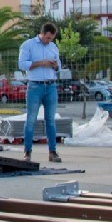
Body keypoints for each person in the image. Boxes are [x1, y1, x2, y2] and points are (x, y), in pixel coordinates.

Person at [18, 23, 63, 163]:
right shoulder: (28, 45)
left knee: (50, 120)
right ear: (42, 34)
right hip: (35, 86)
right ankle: (27, 151)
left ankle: (52, 151)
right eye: (47, 37)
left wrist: (55, 66)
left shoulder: (53, 47)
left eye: (52, 38)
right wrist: (40, 63)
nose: (49, 40)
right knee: (31, 119)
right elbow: (22, 64)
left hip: (50, 86)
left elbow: (59, 66)